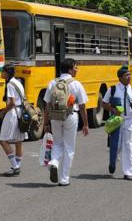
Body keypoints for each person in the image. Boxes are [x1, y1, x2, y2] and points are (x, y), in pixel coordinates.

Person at [42, 58, 88, 186]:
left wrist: (45, 123)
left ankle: (54, 162)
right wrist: (85, 124)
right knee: (69, 147)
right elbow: (82, 106)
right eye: (75, 67)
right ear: (69, 69)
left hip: (55, 117)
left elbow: (47, 105)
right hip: (70, 115)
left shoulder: (52, 83)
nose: (77, 70)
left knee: (57, 143)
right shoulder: (76, 84)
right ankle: (64, 179)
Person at [102, 66, 132, 180]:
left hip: (130, 120)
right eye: (126, 75)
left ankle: (128, 172)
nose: (129, 77)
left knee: (129, 146)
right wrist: (112, 109)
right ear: (120, 78)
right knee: (116, 145)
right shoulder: (113, 89)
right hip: (117, 120)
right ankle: (113, 161)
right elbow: (104, 103)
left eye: (130, 75)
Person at [0, 64, 26, 176]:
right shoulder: (18, 82)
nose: (1, 73)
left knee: (3, 140)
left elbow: (12, 103)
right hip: (20, 112)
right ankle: (17, 166)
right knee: (18, 141)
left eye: (2, 71)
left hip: (12, 113)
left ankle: (14, 165)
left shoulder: (10, 84)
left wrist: (2, 112)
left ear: (7, 72)